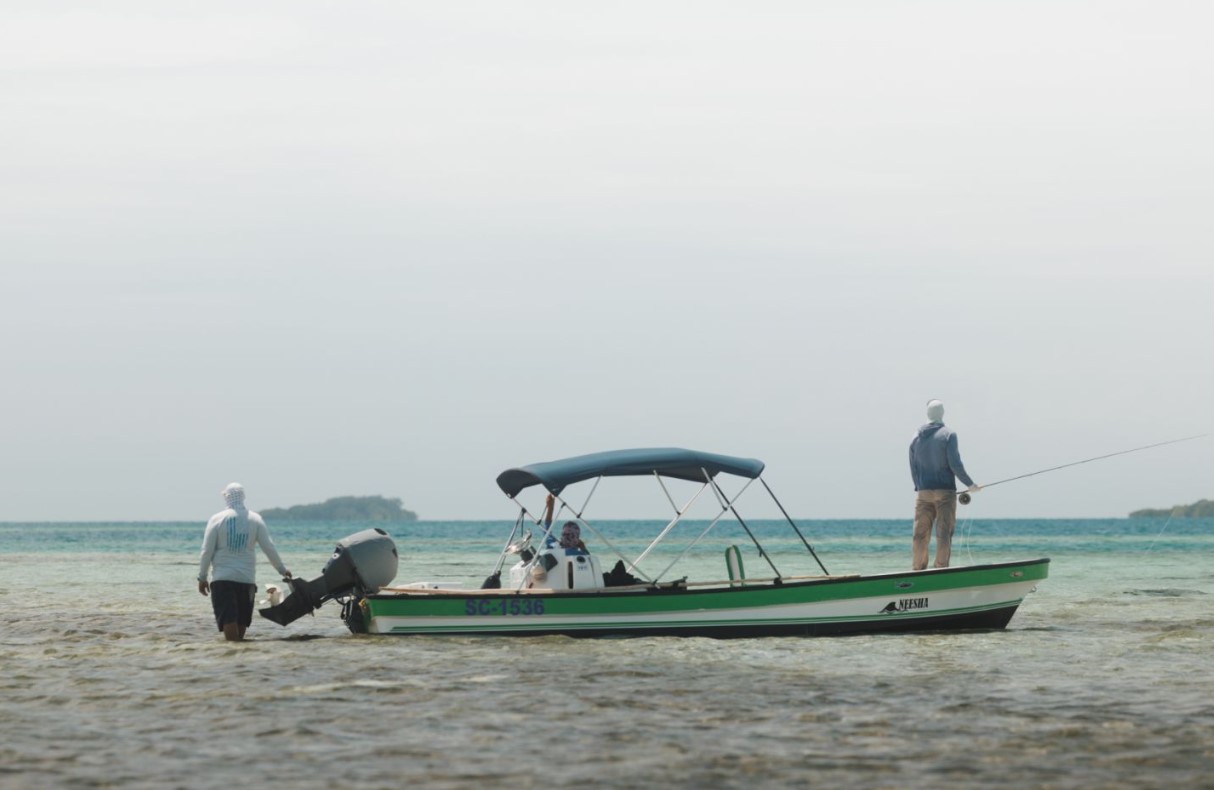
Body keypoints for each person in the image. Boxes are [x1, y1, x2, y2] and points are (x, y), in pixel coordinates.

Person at [197, 482, 291, 641]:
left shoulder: (216, 519)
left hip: (222, 578)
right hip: (246, 580)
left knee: (228, 620)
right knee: (241, 622)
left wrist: (202, 577)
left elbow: (206, 551)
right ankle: (241, 658)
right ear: (243, 497)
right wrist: (282, 570)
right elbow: (269, 547)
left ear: (226, 497)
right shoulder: (255, 519)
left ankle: (233, 659)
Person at [909, 400, 981, 570]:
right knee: (943, 533)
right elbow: (955, 464)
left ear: (928, 413)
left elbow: (913, 465)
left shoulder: (915, 437)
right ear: (942, 413)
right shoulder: (948, 435)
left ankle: (918, 569)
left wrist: (918, 486)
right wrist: (970, 484)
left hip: (923, 492)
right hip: (945, 491)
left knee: (920, 534)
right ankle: (940, 569)